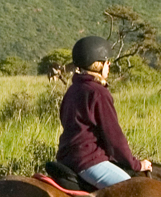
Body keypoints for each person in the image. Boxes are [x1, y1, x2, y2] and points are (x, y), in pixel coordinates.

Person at [57, 36, 152, 188]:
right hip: (88, 161)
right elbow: (113, 136)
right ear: (98, 65)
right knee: (133, 191)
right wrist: (136, 165)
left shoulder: (72, 89)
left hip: (66, 159)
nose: (109, 65)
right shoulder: (98, 92)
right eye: (107, 62)